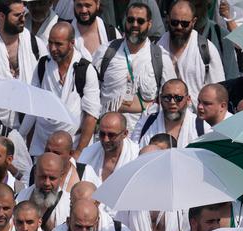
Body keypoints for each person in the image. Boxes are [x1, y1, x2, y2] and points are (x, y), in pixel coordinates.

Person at [93, 3, 175, 131]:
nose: (135, 25)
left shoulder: (161, 58)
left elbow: (171, 99)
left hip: (144, 135)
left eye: (140, 21)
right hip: (107, 135)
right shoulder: (105, 52)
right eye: (130, 20)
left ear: (149, 24)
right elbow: (91, 94)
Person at [25, 22, 101, 156]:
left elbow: (91, 116)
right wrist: (23, 137)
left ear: (71, 43)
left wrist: (78, 153)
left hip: (72, 145)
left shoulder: (85, 70)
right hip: (42, 143)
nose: (53, 48)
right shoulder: (43, 65)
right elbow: (33, 105)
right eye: (50, 43)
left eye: (59, 44)